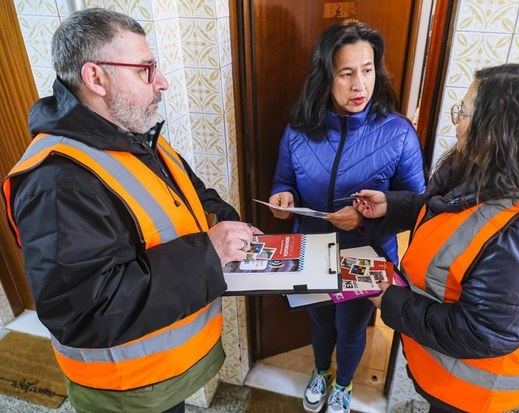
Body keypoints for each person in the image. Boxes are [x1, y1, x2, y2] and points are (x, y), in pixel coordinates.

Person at [2, 8, 258, 413]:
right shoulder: (56, 182)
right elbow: (85, 309)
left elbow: (189, 192)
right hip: (127, 394)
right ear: (96, 78)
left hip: (165, 378)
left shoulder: (132, 134)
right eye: (145, 70)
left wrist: (225, 220)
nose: (163, 82)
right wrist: (209, 253)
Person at [355, 63, 519, 412]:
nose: (456, 121)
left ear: (498, 130)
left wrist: (390, 301)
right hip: (447, 370)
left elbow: (482, 332)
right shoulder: (488, 170)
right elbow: (450, 214)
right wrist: (391, 207)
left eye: (464, 112)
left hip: (472, 393)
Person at [269, 20, 426, 413]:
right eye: (347, 73)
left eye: (368, 70)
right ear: (326, 76)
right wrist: (282, 196)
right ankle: (321, 371)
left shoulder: (399, 133)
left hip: (365, 255)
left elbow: (417, 206)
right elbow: (283, 179)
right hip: (311, 251)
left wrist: (364, 221)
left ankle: (343, 383)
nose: (360, 86)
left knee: (350, 327)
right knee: (320, 322)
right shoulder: (299, 129)